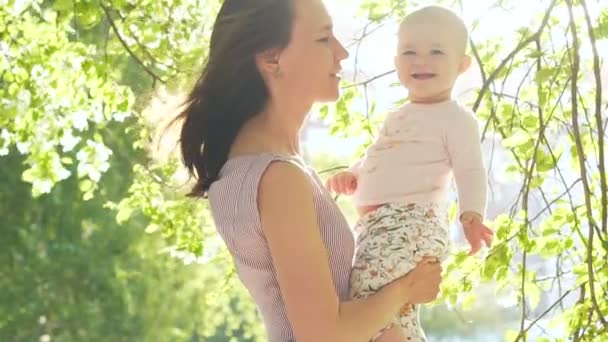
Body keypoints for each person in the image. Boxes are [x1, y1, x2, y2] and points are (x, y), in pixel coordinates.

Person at [172, 0, 443, 341]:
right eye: (323, 38)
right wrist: (408, 287)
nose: (341, 52)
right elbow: (323, 334)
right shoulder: (278, 177)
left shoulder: (255, 166)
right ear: (272, 57)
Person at [326, 5, 494, 342]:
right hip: (380, 228)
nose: (421, 60)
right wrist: (355, 174)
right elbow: (383, 156)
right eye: (410, 52)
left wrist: (472, 214)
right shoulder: (400, 116)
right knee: (383, 304)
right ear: (397, 62)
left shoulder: (456, 118)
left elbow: (471, 168)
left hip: (410, 223)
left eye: (436, 52)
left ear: (461, 65)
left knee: (369, 294)